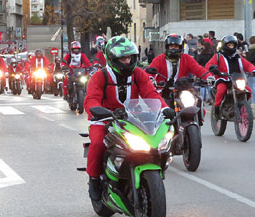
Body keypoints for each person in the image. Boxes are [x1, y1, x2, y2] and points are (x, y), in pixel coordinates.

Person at [83, 36, 175, 200]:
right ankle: (94, 180)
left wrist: (165, 109)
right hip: (104, 118)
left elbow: (151, 94)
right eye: (123, 58)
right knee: (97, 143)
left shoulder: (138, 73)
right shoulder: (99, 76)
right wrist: (99, 111)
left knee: (154, 139)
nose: (127, 61)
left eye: (130, 57)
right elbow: (91, 100)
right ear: (112, 59)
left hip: (131, 117)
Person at [146, 34, 214, 122]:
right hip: (163, 90)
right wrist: (151, 79)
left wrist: (209, 77)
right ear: (167, 47)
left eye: (176, 46)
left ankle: (195, 127)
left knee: (200, 109)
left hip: (183, 89)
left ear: (181, 47)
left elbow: (199, 70)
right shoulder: (159, 59)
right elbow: (148, 72)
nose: (173, 49)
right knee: (155, 112)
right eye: (171, 46)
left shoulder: (187, 58)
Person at [205, 35, 255, 117]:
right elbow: (209, 65)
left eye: (232, 45)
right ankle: (216, 109)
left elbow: (248, 65)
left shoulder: (238, 57)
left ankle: (242, 106)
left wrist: (253, 70)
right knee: (222, 89)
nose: (231, 47)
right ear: (225, 45)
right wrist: (212, 68)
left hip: (236, 80)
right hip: (222, 79)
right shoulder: (218, 56)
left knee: (248, 90)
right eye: (229, 45)